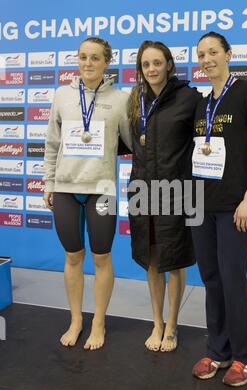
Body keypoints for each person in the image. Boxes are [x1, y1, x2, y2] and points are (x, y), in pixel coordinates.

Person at [191, 32, 247, 386]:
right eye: (201, 54)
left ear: (228, 54)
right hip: (200, 203)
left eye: (213, 52)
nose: (207, 59)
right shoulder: (201, 101)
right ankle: (218, 350)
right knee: (210, 278)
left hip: (234, 205)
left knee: (232, 279)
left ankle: (245, 357)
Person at [43, 37, 131, 350]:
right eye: (83, 57)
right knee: (72, 256)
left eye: (95, 58)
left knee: (102, 257)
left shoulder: (120, 99)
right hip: (66, 188)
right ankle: (77, 319)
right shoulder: (62, 95)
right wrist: (48, 182)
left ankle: (99, 322)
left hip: (103, 189)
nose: (88, 63)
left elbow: (131, 143)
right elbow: (52, 143)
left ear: (107, 62)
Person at [127, 40, 202, 352]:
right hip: (141, 189)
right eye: (146, 64)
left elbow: (209, 138)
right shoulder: (135, 99)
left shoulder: (189, 98)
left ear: (169, 64)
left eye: (157, 62)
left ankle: (172, 326)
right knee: (152, 260)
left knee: (175, 261)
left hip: (178, 190)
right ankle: (156, 322)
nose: (152, 69)